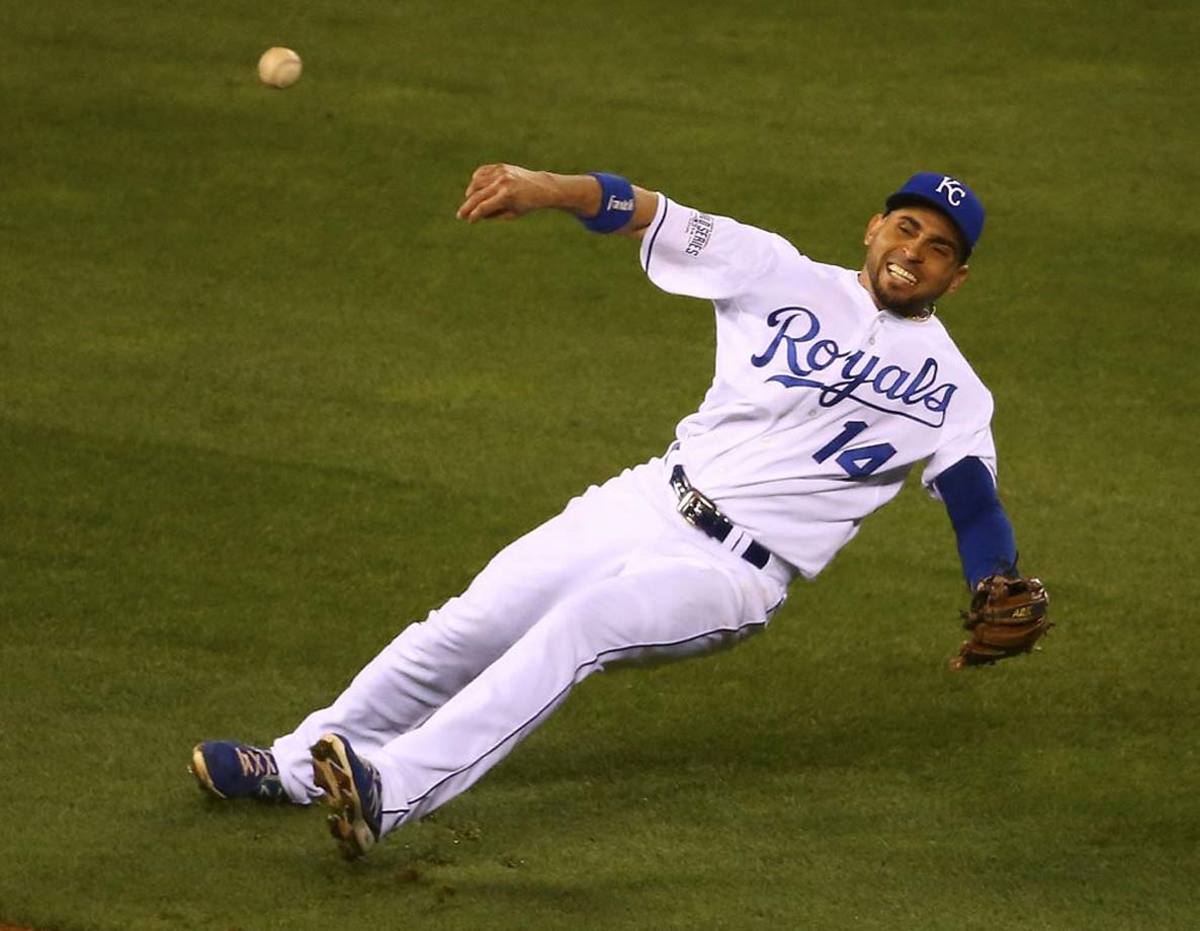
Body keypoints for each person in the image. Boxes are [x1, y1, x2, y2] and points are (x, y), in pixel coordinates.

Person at [190, 165, 1047, 859]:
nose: (915, 252)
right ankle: (300, 762)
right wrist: (549, 188)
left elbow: (973, 502)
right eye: (906, 228)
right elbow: (651, 211)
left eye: (938, 249)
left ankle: (393, 788)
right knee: (469, 623)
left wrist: (997, 576)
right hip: (643, 498)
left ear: (957, 277)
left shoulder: (955, 391)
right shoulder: (773, 268)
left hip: (732, 572)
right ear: (873, 227)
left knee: (585, 626)